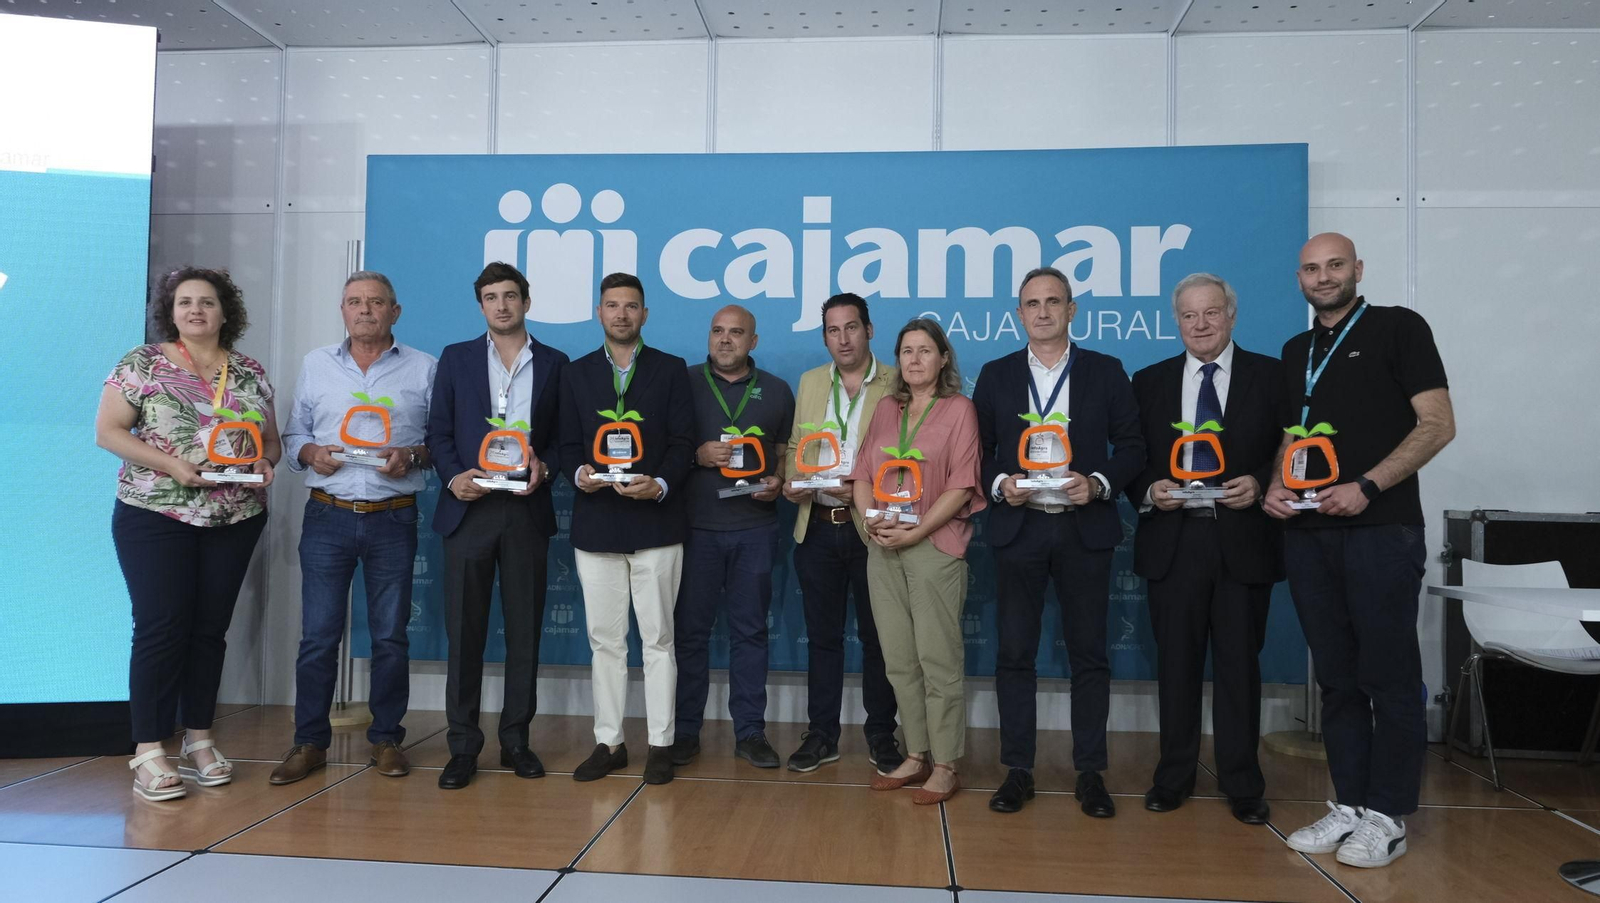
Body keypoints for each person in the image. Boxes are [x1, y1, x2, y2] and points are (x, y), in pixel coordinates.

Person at [1266, 233, 1454, 868]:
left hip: (1382, 530)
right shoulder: (1297, 350)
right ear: (1300, 278)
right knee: (1338, 680)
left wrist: (1368, 486)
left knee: (1390, 678)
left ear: (1357, 270)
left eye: (1335, 266)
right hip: (1310, 535)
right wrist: (1273, 486)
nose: (1324, 277)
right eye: (1312, 268)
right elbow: (1292, 432)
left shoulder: (1401, 328)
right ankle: (1348, 804)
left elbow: (1437, 424)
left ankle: (1388, 815)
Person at [97, 267, 279, 801]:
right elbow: (108, 431)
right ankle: (149, 751)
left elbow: (270, 440)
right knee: (160, 627)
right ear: (171, 313)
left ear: (227, 313)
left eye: (207, 302)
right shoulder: (143, 363)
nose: (196, 310)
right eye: (185, 303)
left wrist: (267, 463)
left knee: (209, 630)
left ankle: (200, 739)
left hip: (236, 516)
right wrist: (171, 466)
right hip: (156, 513)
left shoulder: (248, 371)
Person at [972, 266, 1144, 818]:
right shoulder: (995, 374)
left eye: (1053, 302)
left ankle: (1090, 772)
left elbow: (1133, 447)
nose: (1042, 312)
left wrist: (1096, 484)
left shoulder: (1107, 371)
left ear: (1073, 310)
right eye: (1031, 303)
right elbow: (980, 452)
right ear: (1018, 313)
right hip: (1020, 529)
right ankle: (1017, 769)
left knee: (1090, 655)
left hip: (1082, 526)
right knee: (1015, 654)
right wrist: (1002, 485)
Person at [1128, 273, 1284, 824]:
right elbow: (1133, 456)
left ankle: (1243, 783)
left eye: (1211, 313)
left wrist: (1263, 481)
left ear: (1232, 315)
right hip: (1174, 541)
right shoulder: (1147, 381)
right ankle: (1173, 777)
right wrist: (1151, 488)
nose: (1200, 325)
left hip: (1243, 539)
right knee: (1175, 667)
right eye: (1189, 315)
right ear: (1176, 321)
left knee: (1241, 668)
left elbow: (1293, 447)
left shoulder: (1272, 376)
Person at [270, 271, 436, 785]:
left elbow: (441, 441)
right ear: (342, 310)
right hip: (327, 514)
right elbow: (295, 431)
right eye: (354, 302)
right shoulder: (316, 365)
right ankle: (309, 742)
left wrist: (411, 454)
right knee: (318, 637)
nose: (365, 310)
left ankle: (386, 739)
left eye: (376, 302)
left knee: (390, 637)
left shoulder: (425, 368)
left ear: (395, 311)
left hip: (393, 518)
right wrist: (309, 452)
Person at [426, 262, 567, 790]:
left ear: (526, 302)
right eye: (491, 297)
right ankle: (462, 747)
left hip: (525, 509)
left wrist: (545, 466)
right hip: (470, 508)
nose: (501, 305)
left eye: (510, 296)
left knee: (524, 633)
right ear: (480, 305)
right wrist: (452, 476)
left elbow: (562, 440)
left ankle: (515, 741)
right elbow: (437, 431)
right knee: (465, 634)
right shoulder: (457, 359)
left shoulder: (555, 363)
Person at [560, 272, 694, 786]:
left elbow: (684, 442)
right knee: (606, 642)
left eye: (631, 306)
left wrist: (660, 482)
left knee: (659, 639)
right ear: (599, 313)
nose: (621, 314)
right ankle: (609, 742)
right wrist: (580, 475)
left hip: (657, 523)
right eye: (612, 305)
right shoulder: (575, 374)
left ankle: (661, 743)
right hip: (597, 525)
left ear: (645, 314)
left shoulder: (670, 369)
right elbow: (568, 446)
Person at [848, 317, 985, 805]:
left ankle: (946, 762)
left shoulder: (960, 409)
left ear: (943, 358)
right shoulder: (887, 407)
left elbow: (962, 484)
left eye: (925, 350)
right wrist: (872, 524)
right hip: (884, 547)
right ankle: (917, 753)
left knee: (937, 658)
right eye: (906, 351)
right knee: (900, 661)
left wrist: (917, 530)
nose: (914, 359)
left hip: (934, 545)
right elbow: (863, 472)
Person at [780, 293, 904, 775]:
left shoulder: (897, 382)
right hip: (817, 525)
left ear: (869, 330)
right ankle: (822, 734)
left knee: (879, 639)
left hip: (871, 527)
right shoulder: (812, 381)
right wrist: (794, 480)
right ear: (825, 336)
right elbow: (795, 444)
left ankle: (881, 734)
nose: (843, 338)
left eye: (851, 328)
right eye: (833, 330)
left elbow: (905, 452)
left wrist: (862, 488)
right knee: (823, 637)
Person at [671, 305, 794, 769]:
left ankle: (750, 731)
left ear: (753, 341)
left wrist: (779, 482)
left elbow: (783, 455)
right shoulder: (681, 383)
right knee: (690, 635)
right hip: (695, 529)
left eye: (736, 333)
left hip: (755, 529)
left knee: (751, 632)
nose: (726, 340)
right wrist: (696, 455)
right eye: (718, 331)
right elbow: (663, 450)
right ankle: (685, 732)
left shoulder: (778, 391)